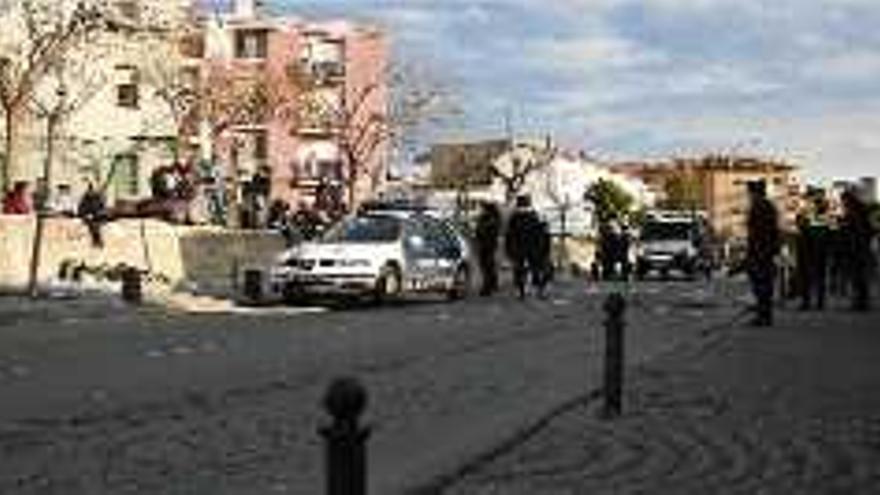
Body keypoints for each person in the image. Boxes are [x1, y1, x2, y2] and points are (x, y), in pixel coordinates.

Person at [745, 180, 780, 326]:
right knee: (765, 284)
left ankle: (763, 316)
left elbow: (756, 233)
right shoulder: (769, 206)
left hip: (760, 251)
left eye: (750, 193)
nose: (749, 196)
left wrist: (752, 252)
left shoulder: (758, 206)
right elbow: (774, 231)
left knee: (760, 285)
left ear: (755, 193)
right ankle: (765, 315)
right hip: (767, 250)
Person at [795, 196, 830, 310]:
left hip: (808, 253)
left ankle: (808, 302)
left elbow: (802, 230)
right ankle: (819, 302)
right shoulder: (824, 219)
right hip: (818, 253)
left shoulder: (812, 219)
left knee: (807, 279)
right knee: (819, 278)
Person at [505, 195, 542, 299]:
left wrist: (509, 249)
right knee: (534, 268)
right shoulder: (534, 216)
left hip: (518, 248)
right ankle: (537, 289)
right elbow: (539, 234)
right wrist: (540, 248)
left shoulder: (514, 218)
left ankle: (521, 290)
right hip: (532, 248)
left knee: (519, 269)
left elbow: (510, 235)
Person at [841, 189, 872, 311]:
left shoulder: (854, 213)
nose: (843, 203)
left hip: (856, 249)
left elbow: (855, 231)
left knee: (858, 277)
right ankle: (861, 301)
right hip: (860, 248)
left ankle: (860, 303)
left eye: (843, 200)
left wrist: (845, 227)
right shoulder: (861, 211)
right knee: (859, 277)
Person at [474, 201, 502, 296]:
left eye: (482, 208)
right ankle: (493, 284)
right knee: (489, 266)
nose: (480, 210)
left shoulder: (490, 219)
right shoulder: (491, 218)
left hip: (487, 246)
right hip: (488, 245)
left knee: (486, 266)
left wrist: (479, 231)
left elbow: (482, 231)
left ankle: (487, 287)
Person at [78, 182, 108, 248]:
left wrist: (98, 214)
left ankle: (97, 241)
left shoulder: (100, 197)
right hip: (88, 217)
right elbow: (81, 208)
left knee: (96, 225)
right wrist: (86, 214)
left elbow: (103, 209)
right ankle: (96, 241)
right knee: (92, 225)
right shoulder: (85, 198)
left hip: (98, 217)